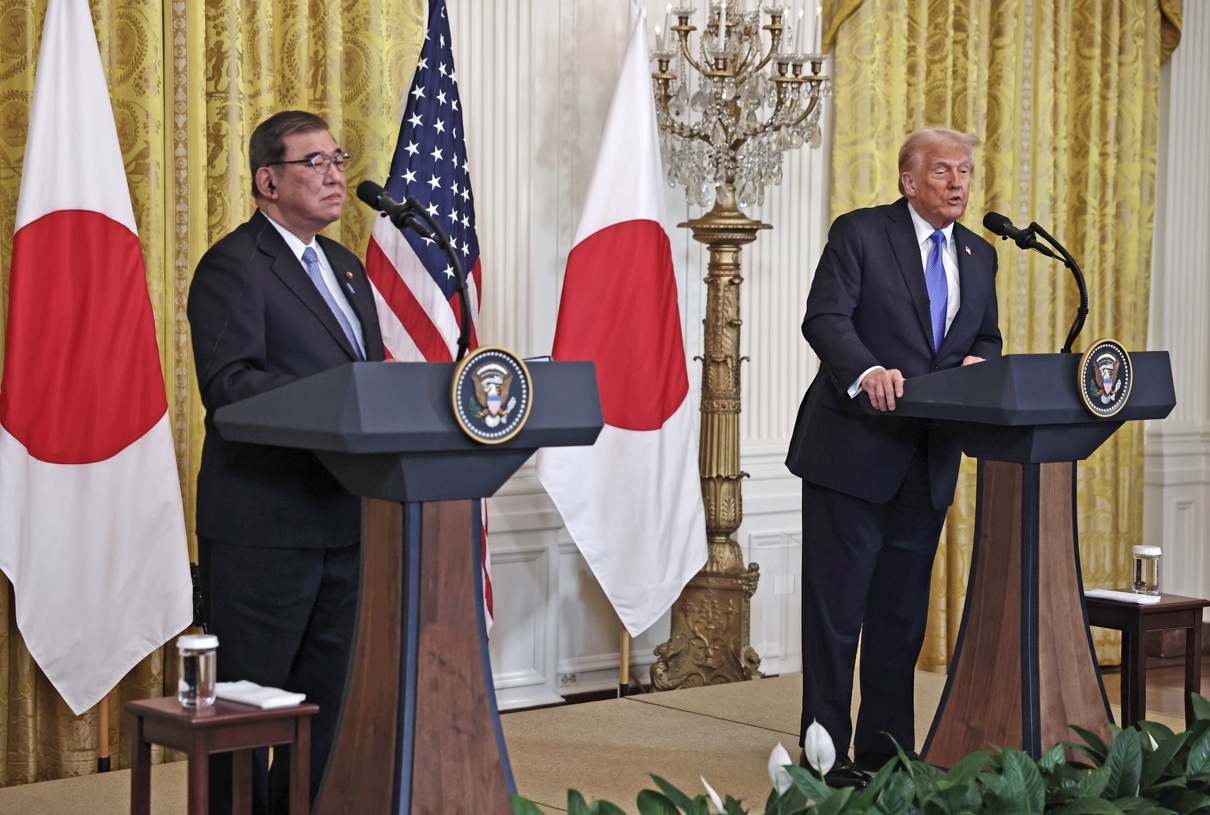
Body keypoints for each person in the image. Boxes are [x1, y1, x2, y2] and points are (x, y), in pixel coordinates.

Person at [785, 127, 1002, 786]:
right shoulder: (861, 234)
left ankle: (883, 752)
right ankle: (825, 756)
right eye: (943, 171)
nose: (959, 182)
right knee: (836, 615)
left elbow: (988, 338)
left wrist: (980, 365)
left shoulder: (980, 253)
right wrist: (867, 368)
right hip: (852, 451)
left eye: (965, 170)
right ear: (910, 181)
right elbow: (825, 318)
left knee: (900, 619)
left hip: (929, 457)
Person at [187, 110, 385, 814]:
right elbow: (231, 390)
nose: (336, 175)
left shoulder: (347, 269)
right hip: (264, 528)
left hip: (347, 518)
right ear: (268, 180)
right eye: (316, 163)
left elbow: (370, 381)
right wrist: (337, 399)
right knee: (248, 710)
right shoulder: (233, 266)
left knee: (326, 706)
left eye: (339, 159)